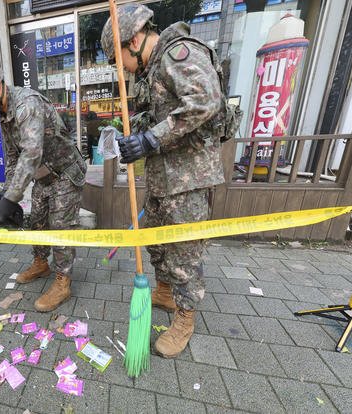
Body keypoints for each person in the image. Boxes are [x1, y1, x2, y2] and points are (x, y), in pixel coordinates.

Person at [101, 4, 225, 358]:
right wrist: (133, 135)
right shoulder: (152, 69)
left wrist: (150, 139)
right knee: (156, 243)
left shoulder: (177, 54)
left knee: (184, 254)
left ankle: (185, 319)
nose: (119, 66)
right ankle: (164, 293)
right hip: (162, 178)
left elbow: (205, 101)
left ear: (135, 40)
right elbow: (158, 115)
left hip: (188, 179)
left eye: (118, 58)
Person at [0, 56, 87, 312]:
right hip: (42, 176)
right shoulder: (3, 113)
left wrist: (12, 198)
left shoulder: (27, 105)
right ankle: (40, 263)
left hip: (65, 173)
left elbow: (31, 153)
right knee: (37, 221)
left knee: (59, 228)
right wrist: (5, 193)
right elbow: (13, 157)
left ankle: (63, 281)